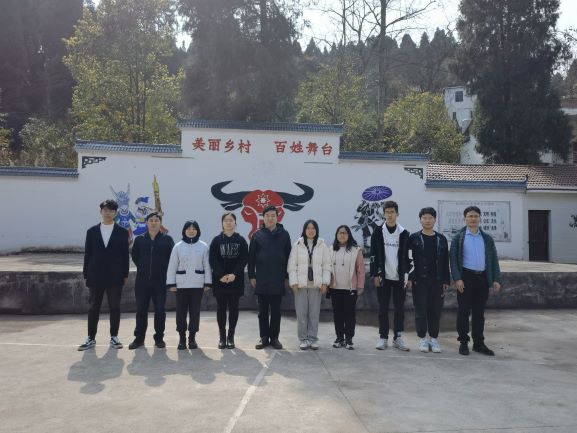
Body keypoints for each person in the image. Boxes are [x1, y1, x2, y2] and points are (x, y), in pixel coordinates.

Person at [78, 199, 129, 351]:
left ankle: (114, 337)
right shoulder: (92, 231)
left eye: (111, 210)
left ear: (115, 213)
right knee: (94, 307)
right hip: (95, 274)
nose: (108, 213)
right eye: (105, 210)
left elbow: (125, 255)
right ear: (101, 211)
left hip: (115, 275)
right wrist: (86, 273)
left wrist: (125, 273)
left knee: (115, 306)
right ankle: (90, 337)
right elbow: (88, 254)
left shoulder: (122, 232)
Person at [450, 206, 502, 356]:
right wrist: (457, 278)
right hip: (466, 278)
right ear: (465, 219)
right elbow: (453, 260)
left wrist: (496, 279)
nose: (473, 219)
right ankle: (463, 342)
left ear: (480, 218)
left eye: (476, 216)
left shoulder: (487, 238)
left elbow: (494, 260)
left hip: (482, 279)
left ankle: (478, 343)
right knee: (463, 311)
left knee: (479, 313)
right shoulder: (458, 238)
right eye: (470, 216)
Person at [248, 205, 292, 350]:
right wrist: (252, 276)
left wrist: (286, 276)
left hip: (278, 279)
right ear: (264, 218)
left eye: (273, 215)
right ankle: (264, 337)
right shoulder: (257, 235)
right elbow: (251, 258)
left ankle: (274, 338)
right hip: (261, 279)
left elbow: (289, 257)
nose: (270, 218)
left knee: (276, 311)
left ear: (277, 217)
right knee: (262, 312)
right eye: (267, 216)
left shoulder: (284, 234)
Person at [128, 212, 174, 350]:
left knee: (160, 310)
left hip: (160, 282)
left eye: (156, 220)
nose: (153, 223)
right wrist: (144, 268)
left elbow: (172, 259)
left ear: (160, 223)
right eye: (151, 220)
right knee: (141, 310)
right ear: (147, 223)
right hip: (142, 282)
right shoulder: (140, 240)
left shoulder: (167, 240)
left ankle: (159, 338)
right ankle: (139, 338)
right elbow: (135, 257)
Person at [370, 200, 411, 351]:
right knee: (383, 308)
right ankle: (383, 337)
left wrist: (409, 277)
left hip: (400, 278)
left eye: (392, 212)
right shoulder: (377, 232)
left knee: (399, 308)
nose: (390, 215)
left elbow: (409, 257)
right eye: (387, 212)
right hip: (383, 277)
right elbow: (373, 254)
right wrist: (375, 274)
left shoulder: (404, 233)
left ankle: (398, 337)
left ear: (397, 214)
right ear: (384, 214)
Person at [407, 207, 450, 353]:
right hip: (419, 281)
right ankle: (422, 339)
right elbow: (409, 259)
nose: (427, 220)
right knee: (420, 310)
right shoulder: (413, 238)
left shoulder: (441, 239)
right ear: (420, 220)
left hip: (437, 281)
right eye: (424, 218)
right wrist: (410, 278)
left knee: (435, 310)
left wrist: (446, 280)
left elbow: (445, 261)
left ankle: (434, 339)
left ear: (435, 220)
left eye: (430, 218)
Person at [166, 220, 212, 350]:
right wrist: (171, 283)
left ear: (197, 231)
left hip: (197, 285)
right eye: (188, 228)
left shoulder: (203, 246)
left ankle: (192, 338)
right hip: (181, 285)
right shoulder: (178, 246)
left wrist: (207, 282)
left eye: (194, 228)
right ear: (184, 231)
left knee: (195, 312)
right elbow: (172, 265)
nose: (191, 231)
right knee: (181, 312)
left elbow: (207, 266)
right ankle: (182, 339)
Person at [287, 219, 331, 350]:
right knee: (301, 313)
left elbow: (327, 266)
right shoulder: (298, 244)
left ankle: (312, 339)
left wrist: (325, 283)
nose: (310, 231)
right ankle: (303, 339)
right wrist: (294, 282)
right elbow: (291, 266)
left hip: (316, 285)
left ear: (316, 230)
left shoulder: (322, 245)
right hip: (300, 285)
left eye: (313, 228)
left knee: (314, 314)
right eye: (308, 228)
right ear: (304, 230)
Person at [209, 212, 248, 349]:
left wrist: (234, 274)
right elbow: (212, 259)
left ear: (235, 223)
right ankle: (222, 337)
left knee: (233, 309)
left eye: (231, 220)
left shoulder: (241, 240)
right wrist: (221, 275)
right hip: (219, 281)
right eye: (226, 220)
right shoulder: (216, 240)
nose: (228, 222)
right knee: (220, 308)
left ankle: (230, 337)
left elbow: (244, 259)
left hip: (235, 281)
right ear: (222, 223)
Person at [328, 225, 365, 350]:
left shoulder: (356, 250)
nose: (342, 235)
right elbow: (327, 268)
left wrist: (360, 286)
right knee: (337, 314)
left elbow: (360, 270)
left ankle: (349, 338)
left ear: (349, 235)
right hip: (335, 288)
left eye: (344, 233)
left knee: (349, 314)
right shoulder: (331, 249)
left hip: (350, 289)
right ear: (336, 235)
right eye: (340, 233)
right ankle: (339, 338)